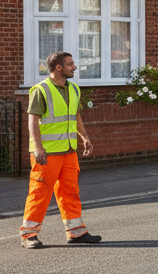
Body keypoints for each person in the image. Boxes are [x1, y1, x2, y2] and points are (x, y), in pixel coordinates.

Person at [20, 51, 100, 249]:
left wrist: (85, 137)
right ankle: (29, 235)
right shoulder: (41, 90)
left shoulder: (73, 89)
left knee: (70, 192)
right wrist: (38, 148)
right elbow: (33, 121)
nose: (74, 67)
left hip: (68, 151)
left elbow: (75, 116)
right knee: (40, 193)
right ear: (58, 67)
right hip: (47, 153)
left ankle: (76, 232)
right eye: (70, 64)